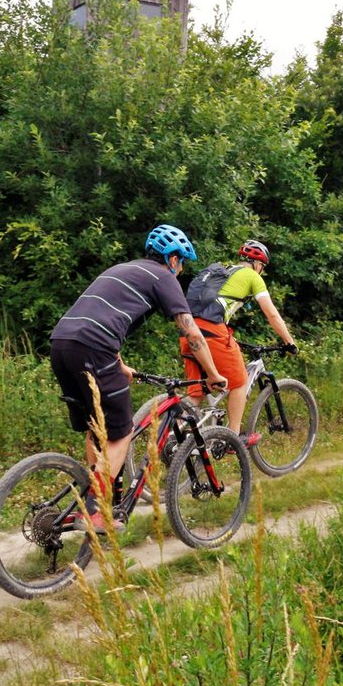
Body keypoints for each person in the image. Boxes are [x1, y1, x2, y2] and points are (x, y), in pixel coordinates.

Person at [50, 224, 228, 534]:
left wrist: (120, 365)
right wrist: (212, 374)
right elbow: (192, 332)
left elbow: (96, 317)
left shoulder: (121, 269)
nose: (181, 269)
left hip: (62, 344)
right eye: (182, 262)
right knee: (121, 433)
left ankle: (94, 492)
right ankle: (96, 510)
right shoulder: (162, 276)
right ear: (172, 259)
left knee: (97, 428)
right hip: (94, 347)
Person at [180, 239, 297, 443]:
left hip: (186, 330)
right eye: (262, 267)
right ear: (258, 265)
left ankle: (171, 435)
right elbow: (271, 314)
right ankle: (233, 439)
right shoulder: (252, 276)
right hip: (212, 332)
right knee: (239, 381)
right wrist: (289, 341)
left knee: (196, 393)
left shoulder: (220, 270)